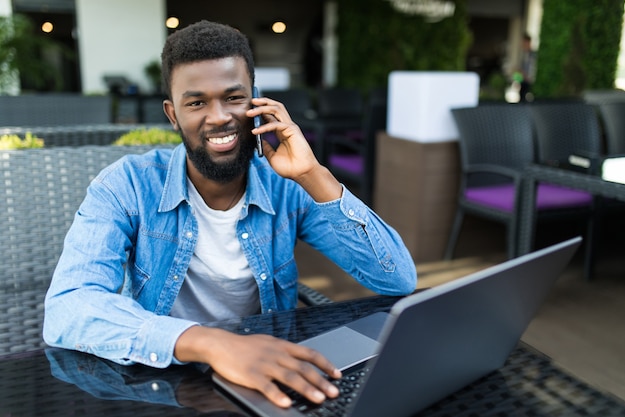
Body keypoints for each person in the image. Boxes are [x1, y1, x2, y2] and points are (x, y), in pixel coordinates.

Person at [43, 20, 416, 410]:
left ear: (256, 101)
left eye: (233, 97)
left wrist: (313, 174)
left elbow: (397, 278)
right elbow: (69, 307)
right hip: (162, 381)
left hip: (264, 376)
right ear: (172, 114)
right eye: (196, 102)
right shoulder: (127, 186)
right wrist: (212, 344)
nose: (218, 116)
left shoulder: (285, 184)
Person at [518, 33, 537, 102]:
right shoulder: (523, 54)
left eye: (524, 42)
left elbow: (532, 68)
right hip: (523, 81)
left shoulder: (533, 55)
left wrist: (528, 77)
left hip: (529, 81)